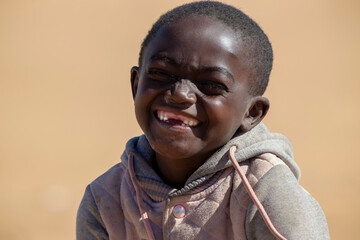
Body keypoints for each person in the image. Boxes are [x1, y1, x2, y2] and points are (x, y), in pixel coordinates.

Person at [76, 1, 330, 239]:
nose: (180, 94)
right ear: (135, 84)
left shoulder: (266, 191)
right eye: (160, 73)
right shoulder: (104, 198)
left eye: (211, 85)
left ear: (252, 113)